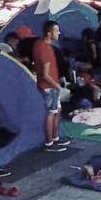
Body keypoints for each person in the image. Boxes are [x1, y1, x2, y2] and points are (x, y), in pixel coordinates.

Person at [33, 21, 69, 152]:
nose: (58, 33)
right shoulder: (46, 49)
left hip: (48, 85)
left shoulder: (38, 44)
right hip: (49, 86)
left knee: (57, 110)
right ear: (49, 33)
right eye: (56, 30)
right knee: (51, 112)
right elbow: (45, 74)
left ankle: (55, 137)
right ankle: (49, 142)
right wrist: (57, 86)